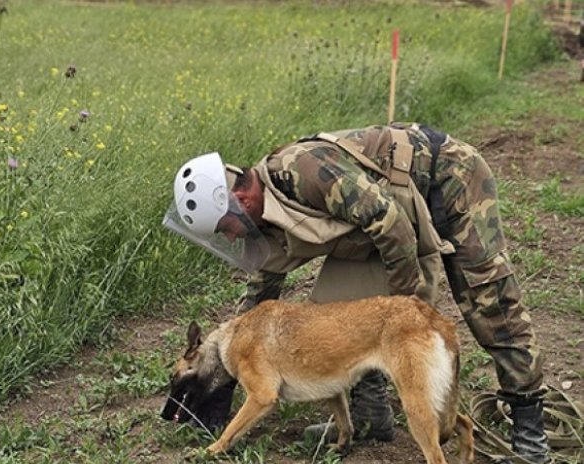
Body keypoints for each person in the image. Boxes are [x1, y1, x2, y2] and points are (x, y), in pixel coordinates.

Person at [163, 123, 550, 463]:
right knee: (329, 316)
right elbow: (261, 291)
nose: (230, 237)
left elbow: (392, 224)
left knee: (489, 302)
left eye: (226, 227)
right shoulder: (262, 219)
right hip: (388, 217)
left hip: (446, 177)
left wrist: (403, 312)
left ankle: (529, 430)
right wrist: (226, 366)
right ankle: (370, 415)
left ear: (241, 200)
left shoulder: (304, 172)